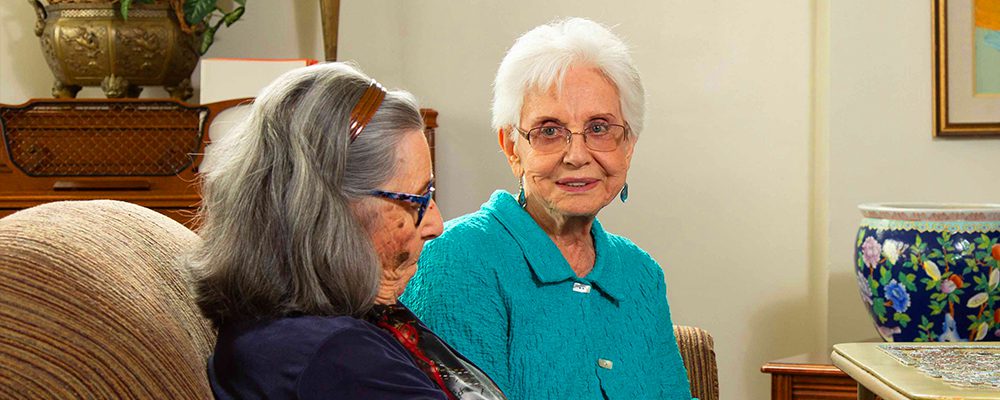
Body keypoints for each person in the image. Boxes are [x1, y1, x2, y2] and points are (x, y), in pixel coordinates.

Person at [401, 18, 693, 399]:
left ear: (629, 145)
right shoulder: (455, 259)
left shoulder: (640, 274)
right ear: (511, 147)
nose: (576, 155)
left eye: (600, 128)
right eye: (549, 131)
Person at [188, 62, 506, 400]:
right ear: (329, 214)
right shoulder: (336, 360)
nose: (435, 224)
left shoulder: (312, 326)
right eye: (416, 200)